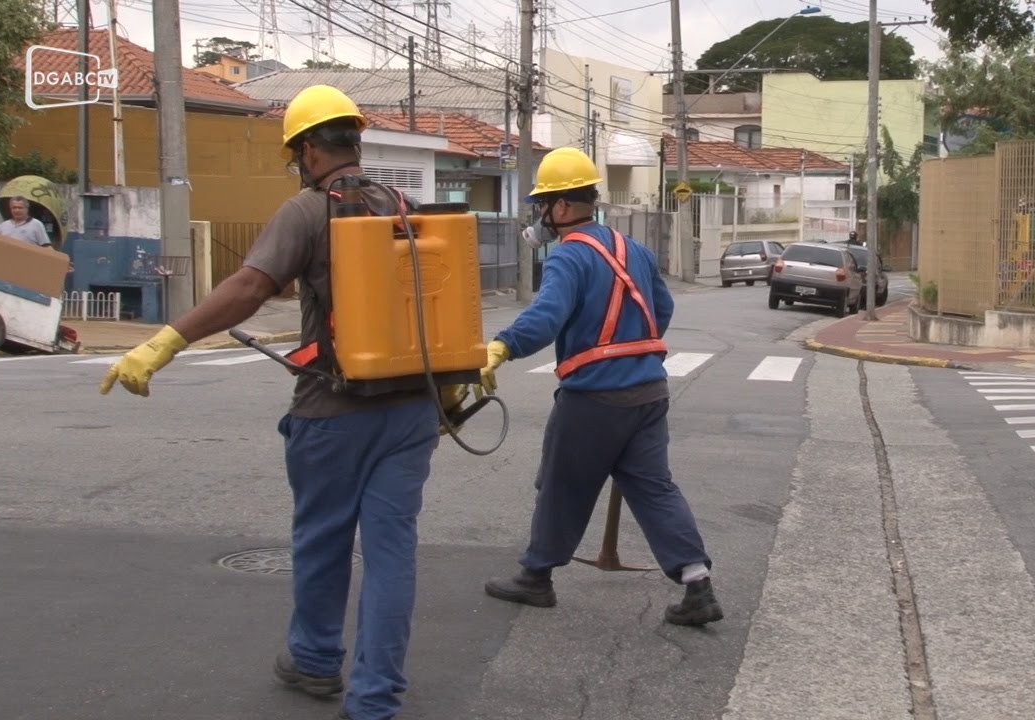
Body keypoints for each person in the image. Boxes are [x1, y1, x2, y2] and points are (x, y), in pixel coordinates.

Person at [97, 84, 472, 720]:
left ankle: (317, 660)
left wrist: (165, 341)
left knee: (324, 540)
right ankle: (376, 698)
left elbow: (249, 287)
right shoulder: (405, 206)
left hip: (333, 410)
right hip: (412, 410)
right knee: (391, 552)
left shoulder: (307, 210)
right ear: (353, 139)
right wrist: (451, 388)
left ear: (304, 150)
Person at [478, 147, 723, 627]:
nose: (541, 216)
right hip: (649, 392)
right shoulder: (635, 250)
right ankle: (697, 584)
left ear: (563, 207)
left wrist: (503, 346)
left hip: (594, 398)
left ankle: (536, 577)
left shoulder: (568, 258)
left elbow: (546, 318)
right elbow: (661, 310)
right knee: (654, 487)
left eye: (543, 205)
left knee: (561, 485)